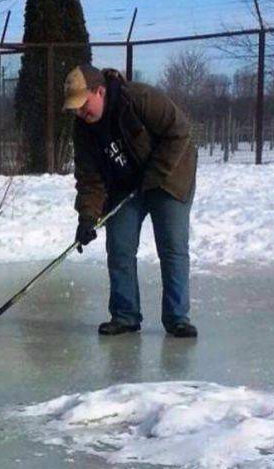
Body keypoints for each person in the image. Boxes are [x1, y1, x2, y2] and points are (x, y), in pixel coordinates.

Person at [63, 63, 198, 338]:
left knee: (172, 247)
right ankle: (125, 315)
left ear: (99, 91)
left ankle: (177, 318)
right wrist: (87, 217)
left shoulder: (137, 98)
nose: (80, 112)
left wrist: (153, 175)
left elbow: (179, 130)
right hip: (125, 187)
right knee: (119, 246)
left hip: (169, 178)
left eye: (83, 104)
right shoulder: (83, 129)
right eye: (74, 107)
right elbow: (90, 179)